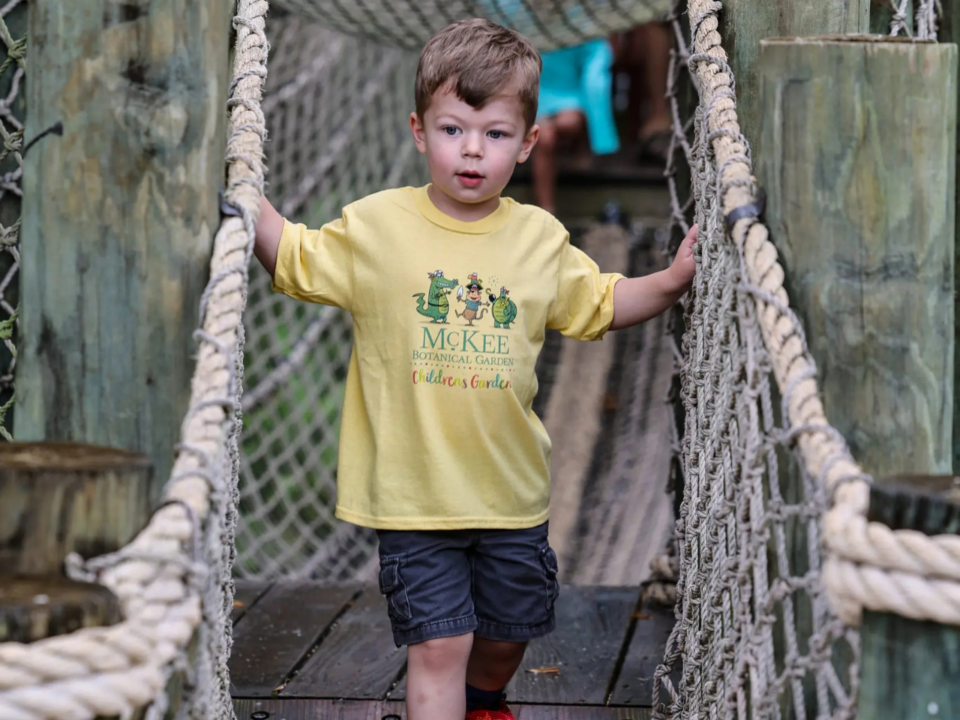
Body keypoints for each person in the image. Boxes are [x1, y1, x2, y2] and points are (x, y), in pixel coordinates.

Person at [253, 19, 697, 720]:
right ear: (419, 132)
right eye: (453, 129)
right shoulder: (378, 226)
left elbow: (602, 302)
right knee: (440, 645)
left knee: (505, 636)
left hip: (509, 494)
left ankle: (483, 702)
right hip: (415, 499)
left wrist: (670, 281)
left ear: (527, 144)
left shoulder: (538, 238)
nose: (471, 149)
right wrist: (244, 190)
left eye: (494, 134)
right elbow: (295, 255)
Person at [531, 39, 620, 214]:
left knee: (568, 122)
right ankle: (546, 211)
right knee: (545, 137)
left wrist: (602, 135)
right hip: (534, 97)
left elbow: (597, 69)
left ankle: (577, 151)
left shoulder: (583, 33)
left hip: (568, 96)